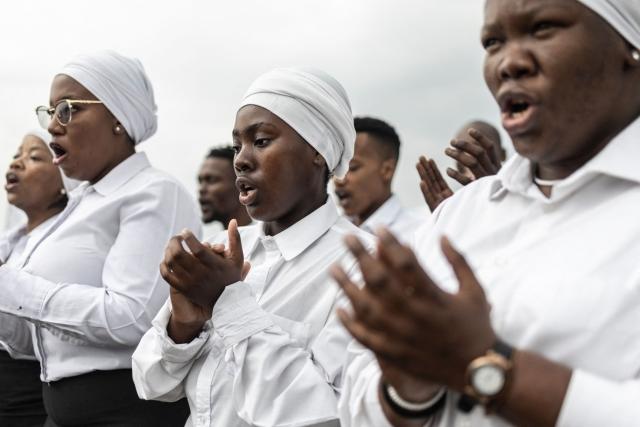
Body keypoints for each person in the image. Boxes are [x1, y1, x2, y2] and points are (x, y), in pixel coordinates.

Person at [335, 0, 640, 426]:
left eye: (544, 28)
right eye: (493, 42)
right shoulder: (459, 215)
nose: (508, 63)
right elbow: (357, 396)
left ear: (629, 44)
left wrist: (487, 365)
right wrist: (407, 389)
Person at [132, 67, 372, 427]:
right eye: (237, 145)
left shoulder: (364, 266)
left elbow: (327, 412)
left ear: (318, 151)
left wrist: (229, 304)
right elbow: (151, 384)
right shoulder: (223, 251)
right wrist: (183, 325)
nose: (241, 160)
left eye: (261, 141)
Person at [0, 51, 200, 426]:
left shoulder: (153, 192)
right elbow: (33, 342)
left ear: (118, 119)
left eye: (68, 109)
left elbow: (132, 318)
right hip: (58, 410)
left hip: (124, 410)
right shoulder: (77, 204)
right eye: (49, 113)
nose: (53, 127)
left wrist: (11, 286)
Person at [0, 129, 78, 426]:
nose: (17, 163)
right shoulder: (11, 241)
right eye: (16, 155)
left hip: (28, 399)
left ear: (65, 183)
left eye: (33, 157)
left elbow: (35, 335)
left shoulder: (64, 248)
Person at [334, 117, 422, 242]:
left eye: (352, 168)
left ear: (387, 170)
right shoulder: (333, 230)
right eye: (336, 169)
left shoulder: (418, 236)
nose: (338, 180)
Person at [417, 121, 505, 213]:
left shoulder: (517, 195)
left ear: (503, 154)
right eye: (461, 153)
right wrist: (446, 218)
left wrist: (496, 189)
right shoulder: (454, 207)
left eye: (478, 149)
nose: (470, 160)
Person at [197, 146, 252, 227]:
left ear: (241, 185)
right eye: (200, 181)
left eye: (211, 180)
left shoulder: (269, 237)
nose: (201, 189)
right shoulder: (213, 239)